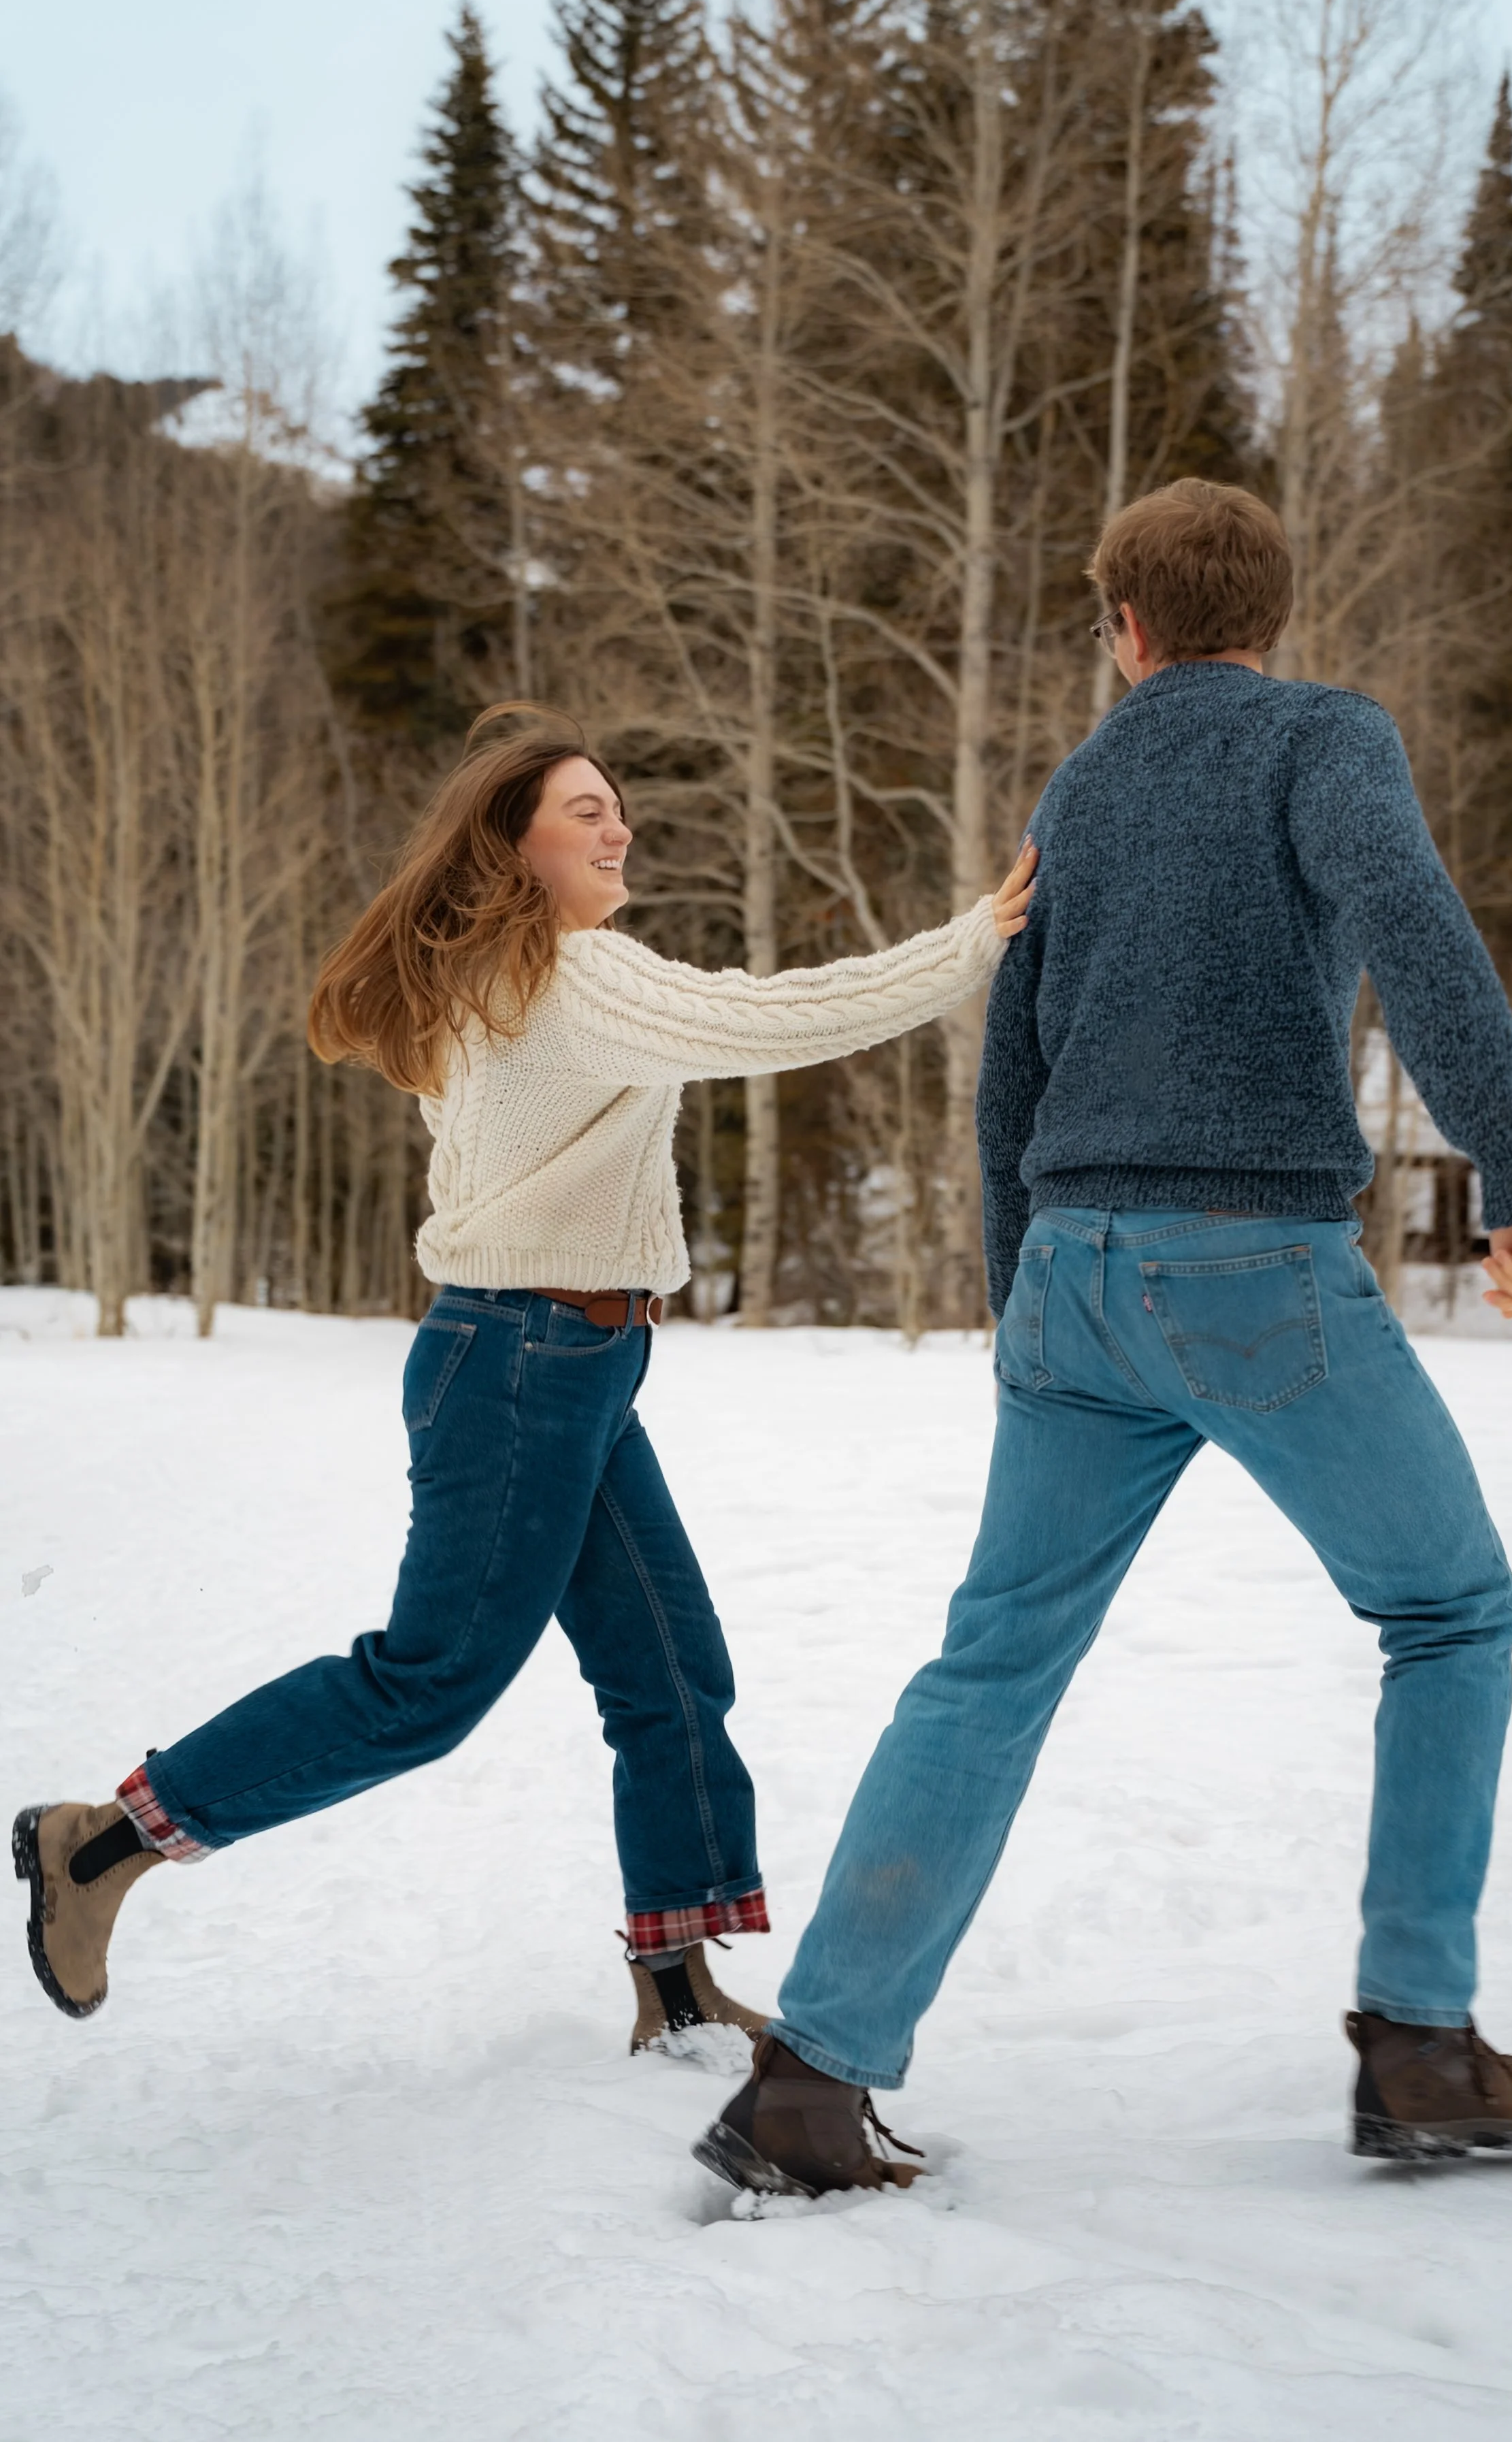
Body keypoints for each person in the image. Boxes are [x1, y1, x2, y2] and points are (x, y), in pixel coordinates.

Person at [697, 478, 1512, 2198]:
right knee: (1449, 1609)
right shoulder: (1323, 739)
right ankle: (1417, 2050)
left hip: (1071, 1277)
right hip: (1246, 1264)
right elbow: (1405, 914)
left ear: (1123, 627)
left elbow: (1010, 1057)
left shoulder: (1083, 782)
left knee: (988, 1667)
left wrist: (1016, 1304)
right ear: (1270, 610)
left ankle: (807, 2088)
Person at [14, 702, 1037, 2048]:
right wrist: (972, 942)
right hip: (519, 1362)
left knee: (669, 1670)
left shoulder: (518, 984)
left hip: (578, 1362)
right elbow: (772, 1016)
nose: (617, 827)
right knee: (427, 1683)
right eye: (583, 811)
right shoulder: (569, 976)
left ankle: (673, 1988)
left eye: (618, 808)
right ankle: (103, 1844)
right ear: (518, 848)